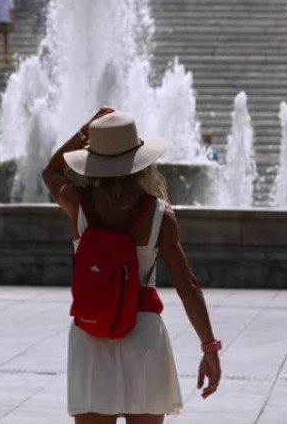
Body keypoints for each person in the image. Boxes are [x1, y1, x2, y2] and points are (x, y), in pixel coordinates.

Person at [42, 108, 222, 423]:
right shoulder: (159, 214)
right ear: (140, 160)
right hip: (143, 336)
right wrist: (209, 347)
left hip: (91, 334)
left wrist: (86, 130)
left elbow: (51, 171)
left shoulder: (76, 202)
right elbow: (187, 284)